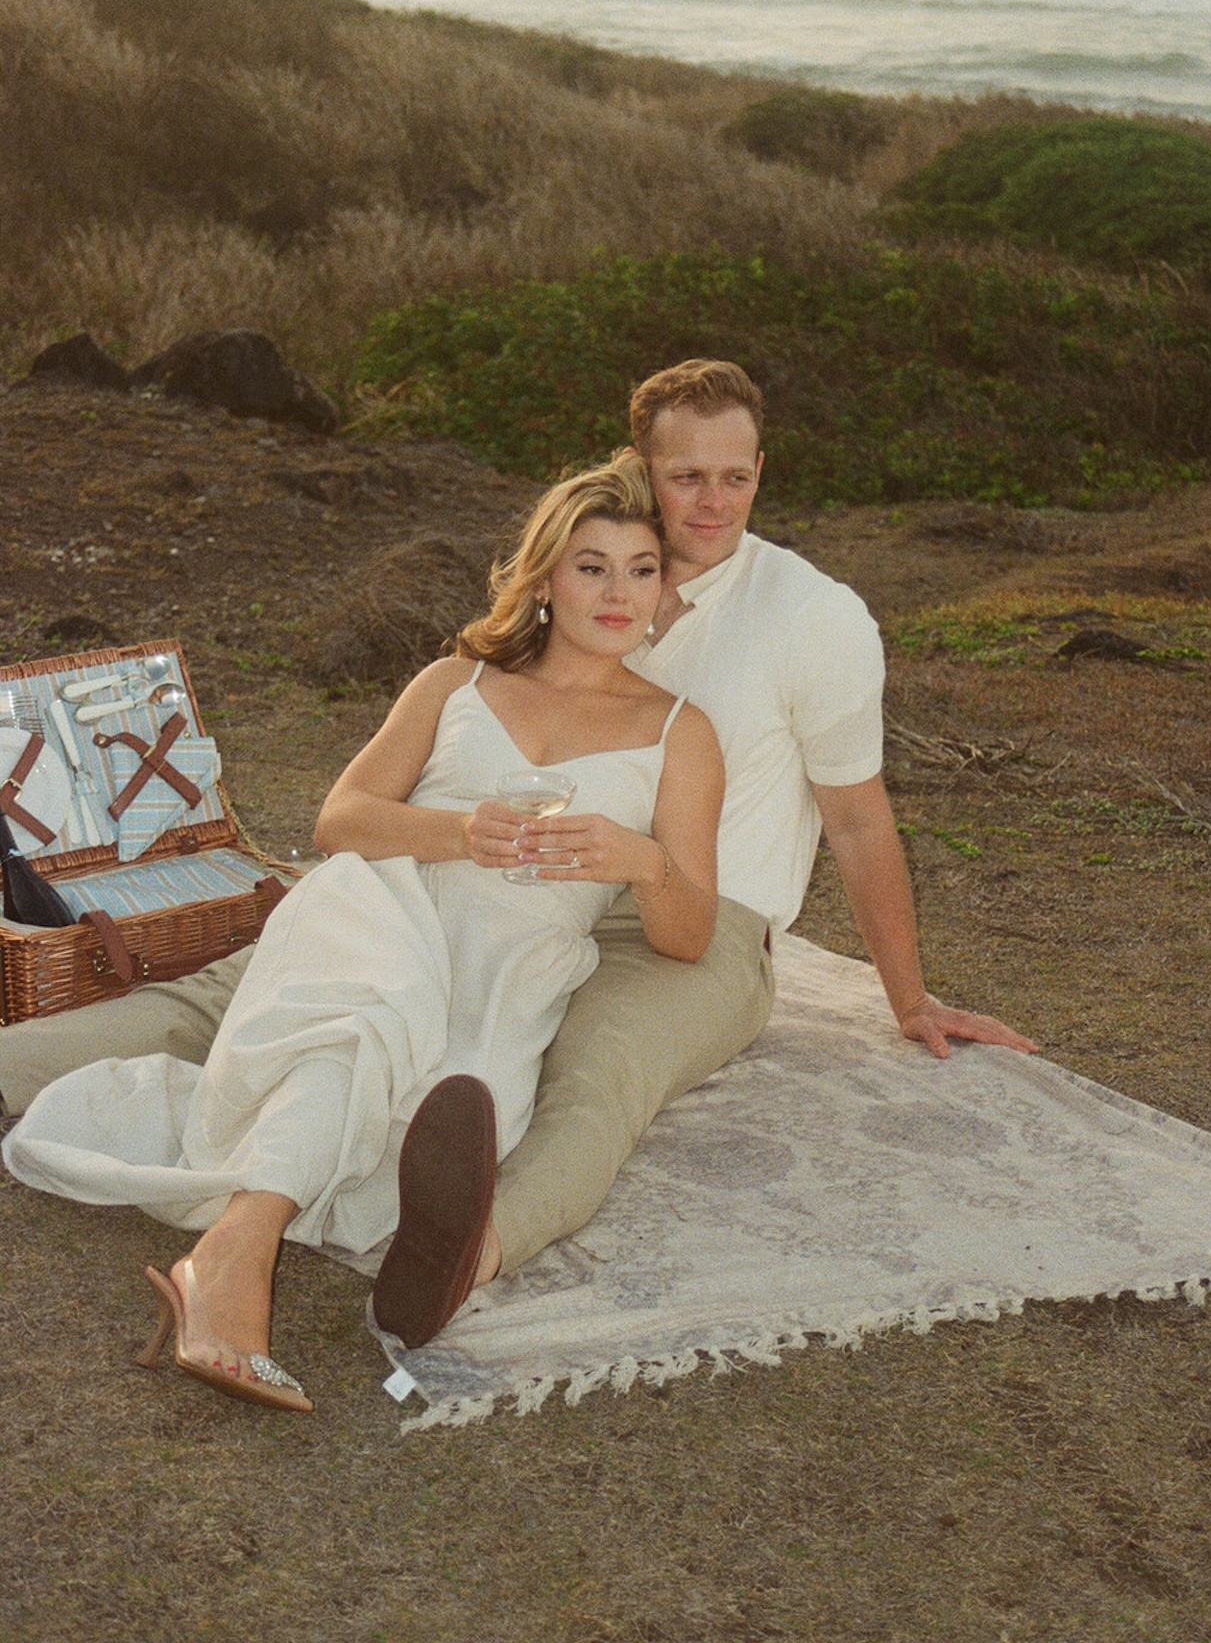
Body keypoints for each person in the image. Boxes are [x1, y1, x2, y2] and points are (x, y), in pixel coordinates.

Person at [0, 360, 1036, 1326]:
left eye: (733, 477)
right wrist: (457, 833)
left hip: (698, 915)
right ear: (640, 476)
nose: (710, 502)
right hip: (477, 883)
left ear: (761, 473)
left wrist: (907, 996)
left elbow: (855, 817)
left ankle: (467, 1250)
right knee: (246, 987)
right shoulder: (578, 584)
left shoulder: (814, 618)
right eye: (685, 477)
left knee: (595, 1078)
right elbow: (403, 775)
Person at [3, 456, 723, 1411]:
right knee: (360, 1026)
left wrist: (640, 861)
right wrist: (460, 832)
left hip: (513, 964)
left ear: (665, 588)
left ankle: (264, 1230)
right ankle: (229, 1266)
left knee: (431, 1123)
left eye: (642, 569)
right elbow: (340, 821)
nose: (619, 592)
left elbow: (686, 934)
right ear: (546, 578)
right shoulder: (457, 681)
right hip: (384, 903)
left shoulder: (681, 732)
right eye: (592, 566)